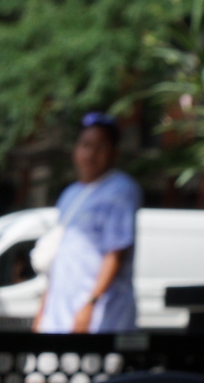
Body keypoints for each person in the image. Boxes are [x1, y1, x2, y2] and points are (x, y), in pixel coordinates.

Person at [35, 113, 142, 334]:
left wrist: (90, 304)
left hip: (99, 317)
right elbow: (59, 258)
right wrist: (42, 310)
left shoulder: (120, 190)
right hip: (59, 314)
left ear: (114, 153)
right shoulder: (70, 194)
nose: (90, 154)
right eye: (86, 145)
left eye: (100, 147)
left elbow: (116, 253)